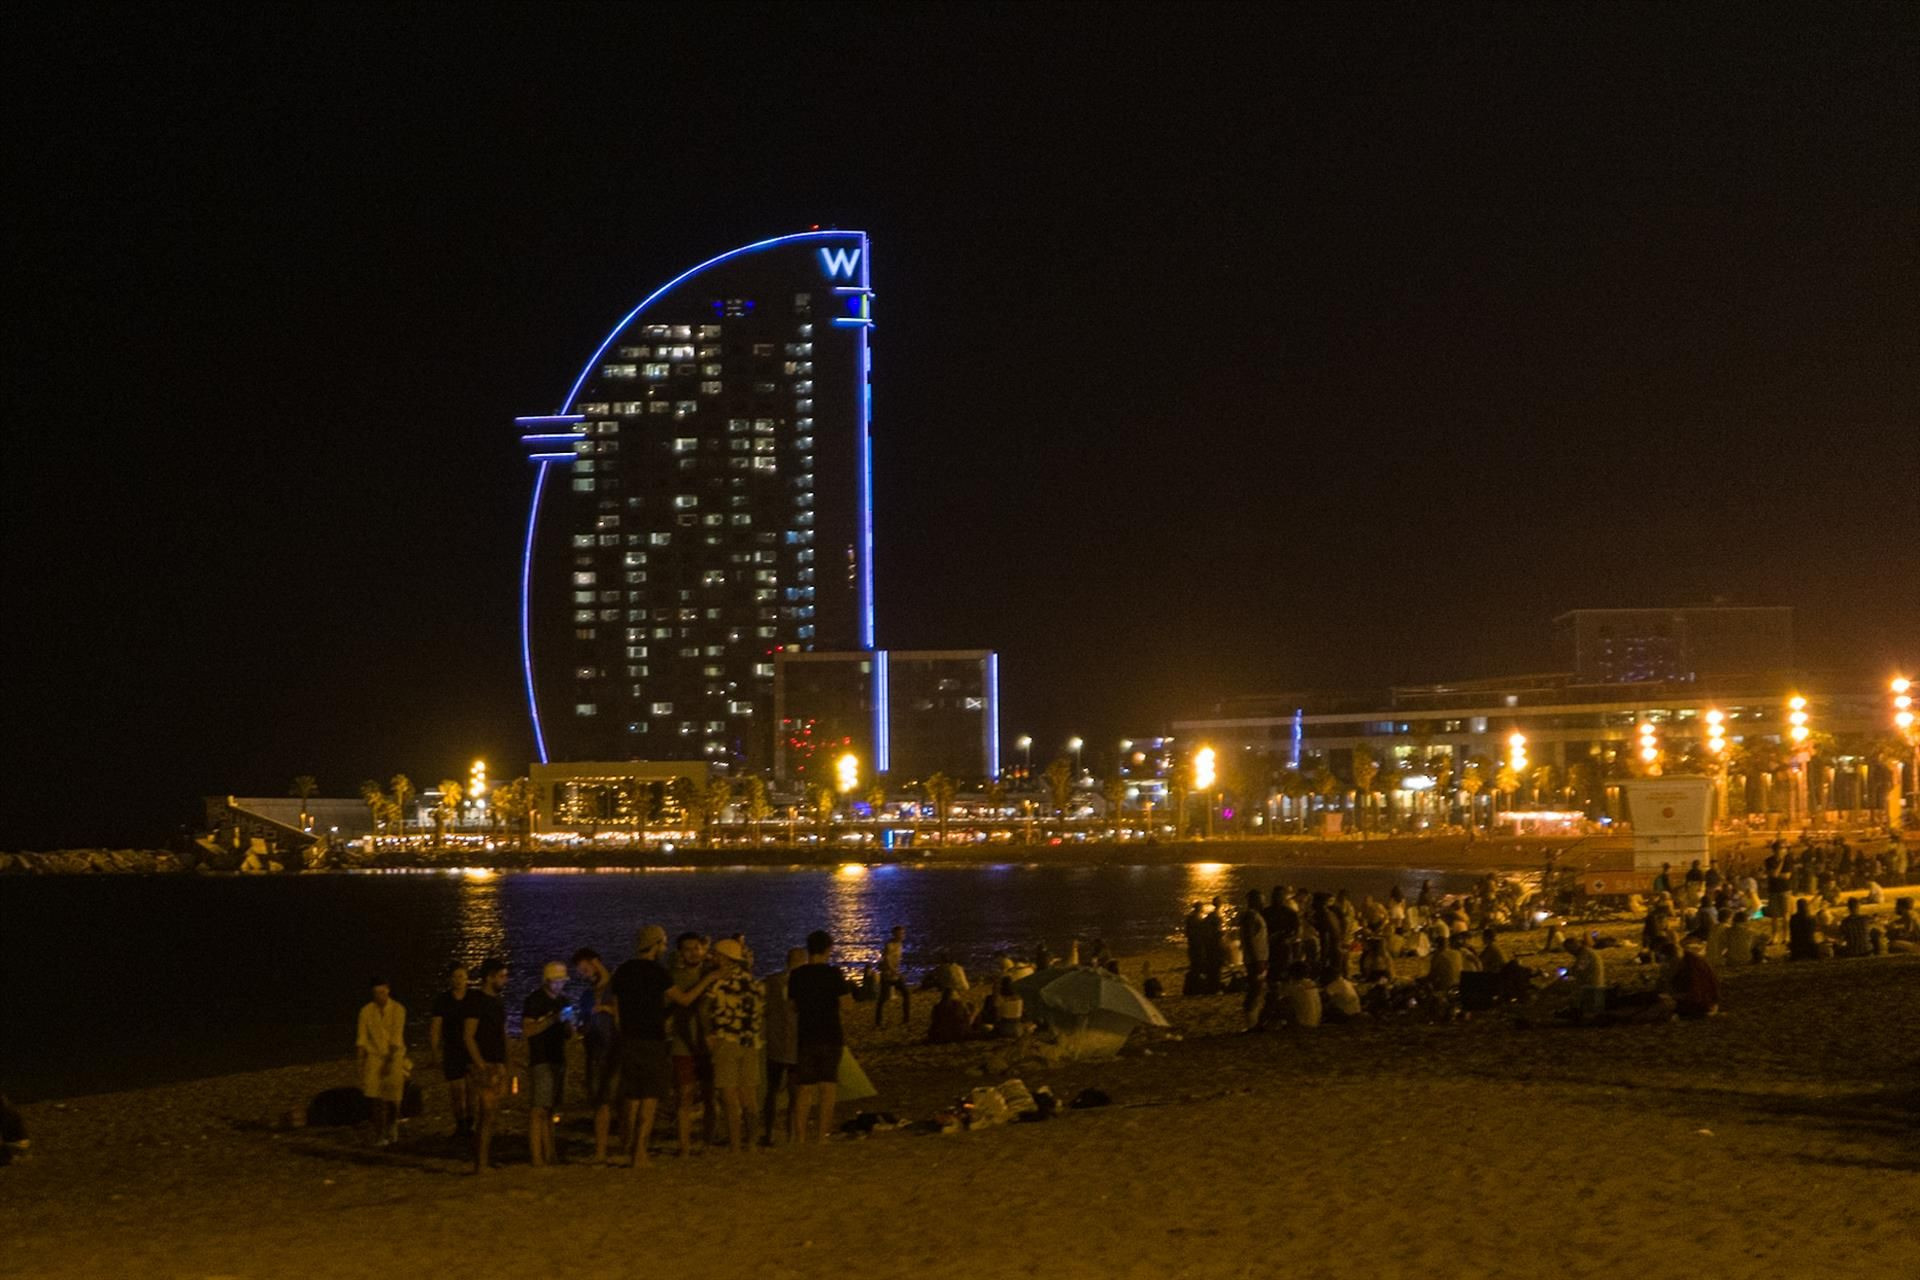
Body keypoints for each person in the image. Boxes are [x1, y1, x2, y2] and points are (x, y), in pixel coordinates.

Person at [611, 926, 674, 1168]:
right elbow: (684, 998)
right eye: (663, 943)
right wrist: (709, 978)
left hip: (629, 1039)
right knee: (650, 1097)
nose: (665, 948)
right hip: (652, 1040)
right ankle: (640, 1153)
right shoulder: (658, 972)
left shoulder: (623, 971)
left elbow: (617, 1013)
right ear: (655, 944)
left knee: (632, 1097)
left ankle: (628, 1147)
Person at [787, 930, 853, 1143]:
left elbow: (792, 1006)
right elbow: (846, 1005)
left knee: (804, 1088)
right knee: (827, 1086)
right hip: (830, 1034)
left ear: (809, 949)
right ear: (828, 949)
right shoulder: (834, 974)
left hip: (806, 1035)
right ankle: (822, 1135)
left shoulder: (797, 975)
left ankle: (800, 1136)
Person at [667, 932, 727, 1157]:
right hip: (683, 1044)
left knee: (711, 1096)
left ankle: (707, 1143)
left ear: (703, 949)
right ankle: (684, 1146)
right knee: (685, 1096)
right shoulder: (676, 976)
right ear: (680, 953)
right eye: (687, 949)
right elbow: (684, 999)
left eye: (696, 948)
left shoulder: (712, 971)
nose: (693, 952)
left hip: (709, 1044)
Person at [702, 938, 764, 1154]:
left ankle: (736, 1144)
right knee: (749, 1096)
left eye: (717, 955)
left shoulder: (718, 980)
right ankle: (753, 1142)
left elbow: (705, 1008)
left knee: (728, 1096)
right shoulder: (753, 981)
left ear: (724, 958)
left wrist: (709, 1034)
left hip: (726, 1040)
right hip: (750, 1041)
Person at [570, 947, 620, 1164]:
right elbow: (584, 1024)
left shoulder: (616, 987)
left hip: (616, 1049)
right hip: (595, 1052)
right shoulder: (587, 995)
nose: (584, 974)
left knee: (621, 1099)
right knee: (600, 1101)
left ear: (596, 962)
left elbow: (626, 1018)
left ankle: (627, 1145)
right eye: (580, 972)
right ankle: (601, 1150)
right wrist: (577, 1027)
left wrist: (609, 1010)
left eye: (585, 968)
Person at [521, 961, 572, 1168]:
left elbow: (569, 1034)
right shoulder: (534, 1000)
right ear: (547, 980)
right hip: (541, 1059)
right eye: (556, 981)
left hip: (557, 1058)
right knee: (538, 1109)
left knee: (550, 1109)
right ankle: (537, 1157)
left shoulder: (563, 1001)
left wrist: (569, 1023)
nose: (560, 985)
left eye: (562, 981)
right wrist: (552, 1020)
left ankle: (550, 1153)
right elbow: (528, 1030)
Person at [461, 959, 510, 1174]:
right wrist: (480, 1063)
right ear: (489, 977)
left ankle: (484, 1160)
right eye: (501, 976)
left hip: (496, 1063)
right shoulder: (476, 1001)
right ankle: (480, 1163)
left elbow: (502, 1034)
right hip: (482, 1064)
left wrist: (506, 1063)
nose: (504, 980)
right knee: (486, 1112)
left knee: (491, 1114)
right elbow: (469, 1035)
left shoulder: (497, 1002)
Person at [759, 946, 804, 1145]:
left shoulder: (771, 981)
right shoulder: (805, 983)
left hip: (775, 1044)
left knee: (772, 1091)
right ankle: (791, 1134)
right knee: (796, 1093)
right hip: (797, 1044)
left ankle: (768, 1132)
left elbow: (762, 1008)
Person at [355, 978, 407, 1147]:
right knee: (375, 1099)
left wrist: (388, 1063)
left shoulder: (398, 1010)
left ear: (388, 990)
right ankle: (379, 1135)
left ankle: (392, 1125)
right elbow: (361, 1039)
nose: (380, 996)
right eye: (377, 993)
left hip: (394, 1056)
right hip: (374, 1056)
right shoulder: (365, 1011)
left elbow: (396, 1038)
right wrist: (360, 1063)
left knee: (392, 1099)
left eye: (383, 992)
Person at [427, 965, 475, 1138]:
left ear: (467, 979)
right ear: (451, 979)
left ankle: (470, 1122)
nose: (459, 980)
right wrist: (434, 1050)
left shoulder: (473, 998)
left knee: (470, 1089)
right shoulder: (443, 1000)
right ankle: (460, 1123)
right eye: (455, 977)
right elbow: (436, 1027)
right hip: (452, 1049)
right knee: (457, 1089)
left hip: (470, 1049)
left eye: (461, 977)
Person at [1239, 890, 1269, 1030]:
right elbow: (1250, 939)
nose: (1264, 903)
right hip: (1255, 960)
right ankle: (1251, 1023)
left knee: (1257, 989)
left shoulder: (1254, 916)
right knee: (1255, 989)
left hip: (1258, 958)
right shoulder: (1251, 916)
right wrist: (1257, 960)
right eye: (1262, 900)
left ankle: (1252, 1020)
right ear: (1255, 901)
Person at [1670, 940, 1721, 1018]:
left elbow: (1696, 995)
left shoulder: (1691, 967)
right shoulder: (1690, 960)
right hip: (1707, 1002)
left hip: (1704, 1005)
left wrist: (1673, 996)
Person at [875, 925, 910, 1028]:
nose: (902, 935)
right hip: (887, 975)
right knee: (882, 999)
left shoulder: (900, 945)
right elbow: (887, 959)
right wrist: (894, 971)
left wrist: (898, 971)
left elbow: (896, 960)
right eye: (900, 933)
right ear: (895, 934)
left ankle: (906, 1019)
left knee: (906, 993)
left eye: (903, 933)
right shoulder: (889, 945)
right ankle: (878, 1021)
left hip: (895, 974)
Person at [1566, 934, 1606, 1019]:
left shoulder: (1585, 954)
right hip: (1592, 982)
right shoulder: (1586, 952)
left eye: (1569, 949)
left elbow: (1579, 970)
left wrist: (1568, 974)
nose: (1570, 952)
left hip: (1592, 985)